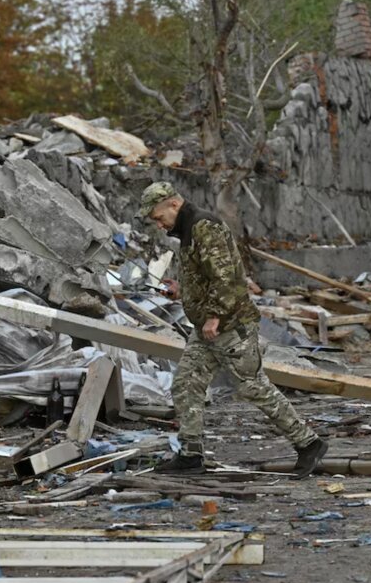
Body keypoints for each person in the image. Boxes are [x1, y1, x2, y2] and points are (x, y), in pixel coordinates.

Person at [138, 181, 327, 478]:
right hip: (207, 329)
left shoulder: (204, 226)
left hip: (230, 325)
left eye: (158, 217)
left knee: (252, 386)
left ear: (173, 204)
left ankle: (309, 443)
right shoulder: (189, 230)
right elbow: (206, 276)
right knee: (186, 384)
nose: (159, 225)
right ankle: (190, 455)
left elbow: (226, 277)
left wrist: (214, 316)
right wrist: (181, 291)